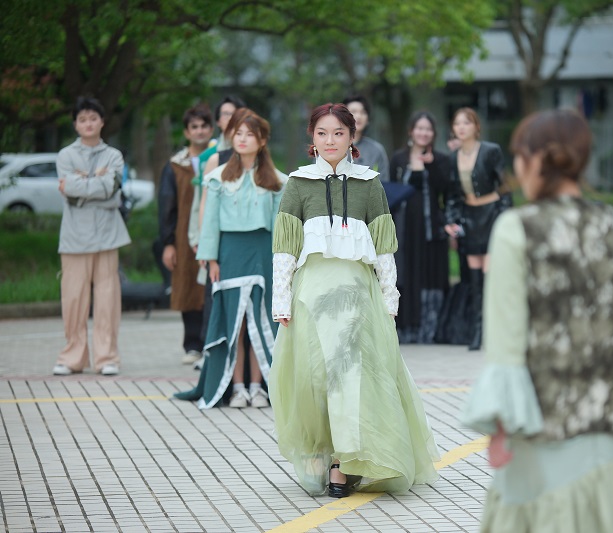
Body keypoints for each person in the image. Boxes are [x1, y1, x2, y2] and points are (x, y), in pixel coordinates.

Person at [462, 109, 613, 533]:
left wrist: (499, 429)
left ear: (536, 160)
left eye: (519, 156)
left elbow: (506, 344)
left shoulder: (515, 229)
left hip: (544, 431)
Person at [268, 103, 439, 498]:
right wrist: (282, 299)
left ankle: (342, 464)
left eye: (339, 133)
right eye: (322, 133)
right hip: (311, 294)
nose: (330, 140)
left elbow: (384, 247)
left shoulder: (369, 183)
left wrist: (390, 296)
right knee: (315, 378)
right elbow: (285, 249)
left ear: (352, 137)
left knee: (353, 377)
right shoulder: (297, 183)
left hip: (357, 294)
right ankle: (325, 450)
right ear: (312, 138)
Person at [174, 109, 285, 409]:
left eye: (250, 134)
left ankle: (259, 387)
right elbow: (210, 222)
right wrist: (210, 260)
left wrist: (282, 263)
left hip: (263, 254)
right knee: (234, 322)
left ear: (262, 140)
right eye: (238, 134)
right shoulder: (216, 178)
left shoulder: (277, 181)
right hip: (229, 255)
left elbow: (279, 227)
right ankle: (236, 388)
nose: (243, 139)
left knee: (260, 321)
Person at [53, 97, 130, 376]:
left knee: (108, 299)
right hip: (74, 237)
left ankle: (107, 357)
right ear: (75, 124)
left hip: (108, 235)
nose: (88, 124)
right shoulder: (65, 156)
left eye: (93, 118)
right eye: (82, 119)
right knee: (73, 299)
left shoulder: (114, 155)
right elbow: (69, 193)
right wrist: (96, 182)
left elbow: (112, 191)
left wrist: (80, 183)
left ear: (102, 122)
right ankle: (72, 357)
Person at [187, 95, 246, 369]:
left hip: (245, 243)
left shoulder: (259, 158)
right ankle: (211, 353)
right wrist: (202, 241)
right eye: (225, 115)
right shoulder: (212, 158)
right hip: (218, 240)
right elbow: (202, 205)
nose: (231, 121)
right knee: (214, 294)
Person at [444, 107, 511, 351]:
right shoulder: (453, 157)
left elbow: (504, 187)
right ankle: (477, 331)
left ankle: (497, 331)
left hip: (491, 215)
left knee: (490, 275)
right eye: (457, 123)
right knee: (473, 280)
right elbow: (453, 195)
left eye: (467, 123)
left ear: (477, 127)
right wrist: (451, 220)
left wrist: (504, 218)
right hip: (470, 219)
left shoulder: (491, 151)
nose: (461, 127)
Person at [388, 111, 451, 344]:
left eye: (428, 129)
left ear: (433, 133)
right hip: (404, 228)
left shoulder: (441, 159)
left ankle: (429, 330)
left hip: (431, 228)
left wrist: (431, 166)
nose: (423, 133)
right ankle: (405, 329)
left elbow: (446, 190)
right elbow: (392, 191)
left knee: (429, 274)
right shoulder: (398, 158)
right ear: (411, 131)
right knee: (405, 273)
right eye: (419, 128)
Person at [158, 103, 213, 365]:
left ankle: (210, 342)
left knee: (209, 288)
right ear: (186, 132)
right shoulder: (175, 165)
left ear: (211, 129)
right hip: (183, 236)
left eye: (204, 126)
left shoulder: (220, 158)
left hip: (211, 231)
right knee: (188, 286)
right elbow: (166, 205)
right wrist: (168, 243)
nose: (199, 131)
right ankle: (192, 345)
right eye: (194, 127)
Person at [343, 95, 390, 180]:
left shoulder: (376, 150)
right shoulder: (332, 146)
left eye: (363, 112)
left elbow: (384, 183)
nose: (358, 116)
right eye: (353, 112)